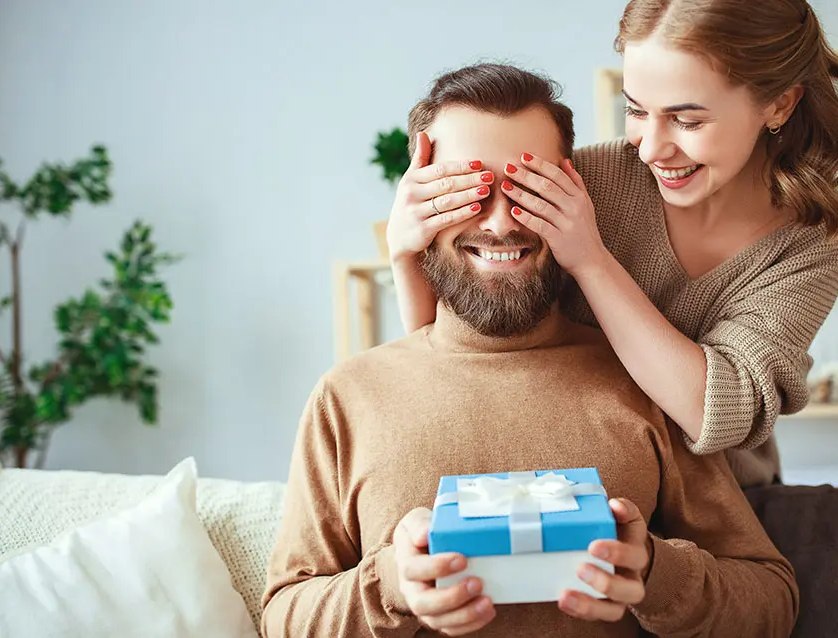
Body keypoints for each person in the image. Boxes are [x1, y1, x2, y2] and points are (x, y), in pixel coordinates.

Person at [261, 64, 798, 638]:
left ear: (573, 195)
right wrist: (390, 585)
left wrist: (655, 574)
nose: (500, 223)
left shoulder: (651, 383)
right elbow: (282, 617)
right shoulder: (348, 399)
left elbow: (771, 599)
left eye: (528, 189)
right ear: (420, 201)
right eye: (466, 191)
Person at [385, 0, 838, 488]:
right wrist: (405, 253)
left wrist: (592, 262)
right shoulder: (588, 180)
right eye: (636, 111)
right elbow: (464, 349)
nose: (650, 147)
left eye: (687, 120)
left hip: (725, 501)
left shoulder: (812, 239)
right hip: (581, 483)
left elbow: (719, 411)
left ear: (779, 103)